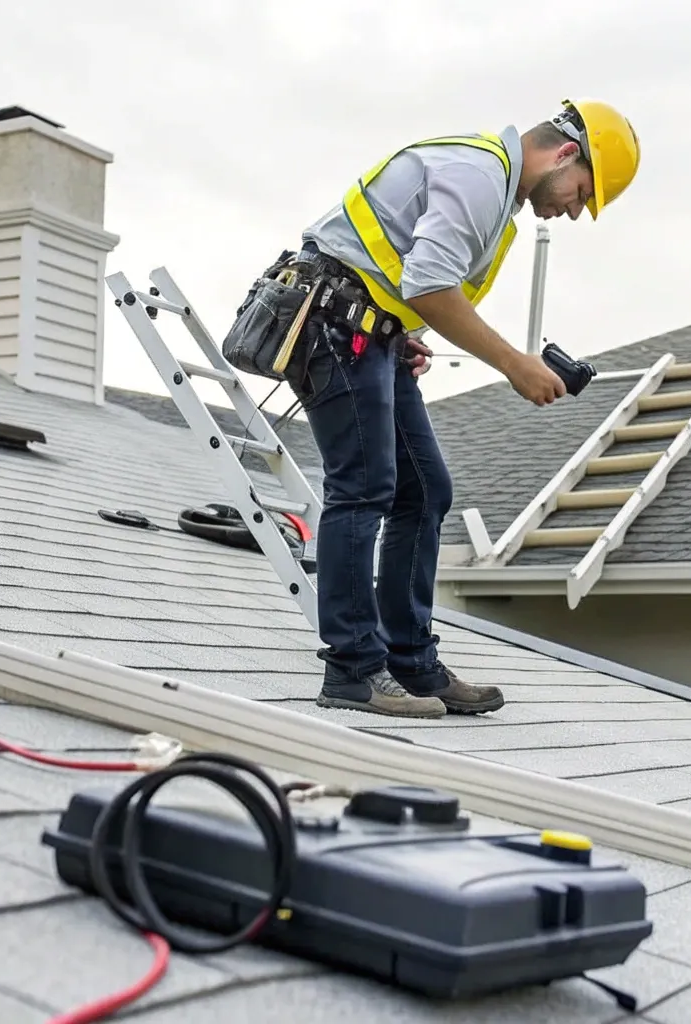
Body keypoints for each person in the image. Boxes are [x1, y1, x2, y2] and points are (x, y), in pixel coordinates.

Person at [281, 99, 641, 719]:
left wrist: (400, 329)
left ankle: (411, 663)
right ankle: (352, 670)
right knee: (364, 487)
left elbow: (406, 280)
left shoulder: (494, 193)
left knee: (424, 492)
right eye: (583, 192)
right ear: (565, 154)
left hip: (369, 329)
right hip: (334, 321)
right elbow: (429, 282)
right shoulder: (480, 176)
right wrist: (514, 363)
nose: (575, 210)